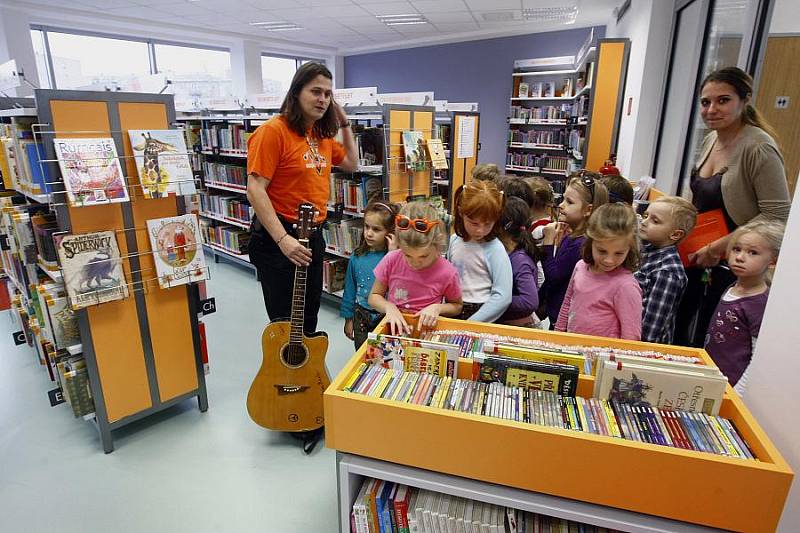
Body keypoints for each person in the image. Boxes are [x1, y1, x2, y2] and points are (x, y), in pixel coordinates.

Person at [675, 66, 790, 346]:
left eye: (723, 100)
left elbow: (777, 215)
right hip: (698, 258)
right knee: (682, 332)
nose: (711, 109)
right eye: (705, 102)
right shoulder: (711, 139)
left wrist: (720, 247)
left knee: (711, 341)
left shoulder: (758, 148)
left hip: (733, 266)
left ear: (745, 100)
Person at [246, 62, 358, 333]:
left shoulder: (320, 135)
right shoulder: (273, 131)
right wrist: (283, 240)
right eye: (315, 91)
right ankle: (286, 374)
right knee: (285, 325)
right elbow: (255, 188)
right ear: (297, 92)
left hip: (313, 235)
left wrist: (344, 124)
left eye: (328, 94)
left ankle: (305, 373)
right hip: (279, 238)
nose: (322, 99)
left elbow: (353, 164)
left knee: (309, 319)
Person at [704, 220, 784, 394]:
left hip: (731, 386)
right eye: (736, 249)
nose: (739, 257)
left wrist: (738, 393)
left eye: (752, 252)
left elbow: (757, 358)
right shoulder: (732, 287)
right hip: (713, 376)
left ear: (773, 261)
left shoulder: (758, 303)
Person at [369, 201, 462, 336]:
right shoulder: (391, 259)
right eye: (407, 255)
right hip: (394, 332)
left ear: (437, 245)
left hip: (426, 334)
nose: (415, 263)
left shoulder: (447, 272)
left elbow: (457, 306)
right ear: (399, 244)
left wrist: (437, 308)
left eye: (423, 256)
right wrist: (389, 307)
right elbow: (374, 296)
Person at [555, 203, 643, 340]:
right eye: (602, 251)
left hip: (604, 357)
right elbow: (567, 304)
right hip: (572, 349)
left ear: (629, 250)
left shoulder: (626, 286)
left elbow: (631, 336)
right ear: (591, 242)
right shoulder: (580, 266)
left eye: (619, 253)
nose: (609, 260)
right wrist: (557, 337)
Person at [539, 171, 608, 327]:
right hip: (557, 312)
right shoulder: (573, 235)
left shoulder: (581, 244)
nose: (561, 205)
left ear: (588, 210)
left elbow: (553, 275)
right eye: (563, 199)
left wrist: (548, 243)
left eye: (569, 202)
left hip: (564, 319)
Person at [447, 181, 512, 322]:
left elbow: (503, 296)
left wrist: (473, 322)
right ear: (460, 212)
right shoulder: (454, 240)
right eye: (474, 223)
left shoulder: (495, 249)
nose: (480, 230)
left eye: (488, 224)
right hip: (453, 307)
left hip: (483, 312)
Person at [635, 197, 697, 344]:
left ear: (675, 234)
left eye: (655, 221)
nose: (644, 222)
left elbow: (649, 331)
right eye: (645, 216)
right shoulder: (646, 249)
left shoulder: (667, 272)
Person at [341, 201, 398, 350]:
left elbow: (398, 284)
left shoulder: (395, 257)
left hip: (386, 316)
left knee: (386, 356)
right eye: (366, 226)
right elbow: (350, 289)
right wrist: (348, 319)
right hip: (361, 316)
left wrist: (392, 255)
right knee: (363, 354)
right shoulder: (357, 257)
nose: (369, 233)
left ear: (390, 232)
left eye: (376, 229)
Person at [497, 196, 540, 327]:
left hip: (519, 327)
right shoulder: (506, 253)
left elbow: (529, 301)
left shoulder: (520, 260)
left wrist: (495, 299)